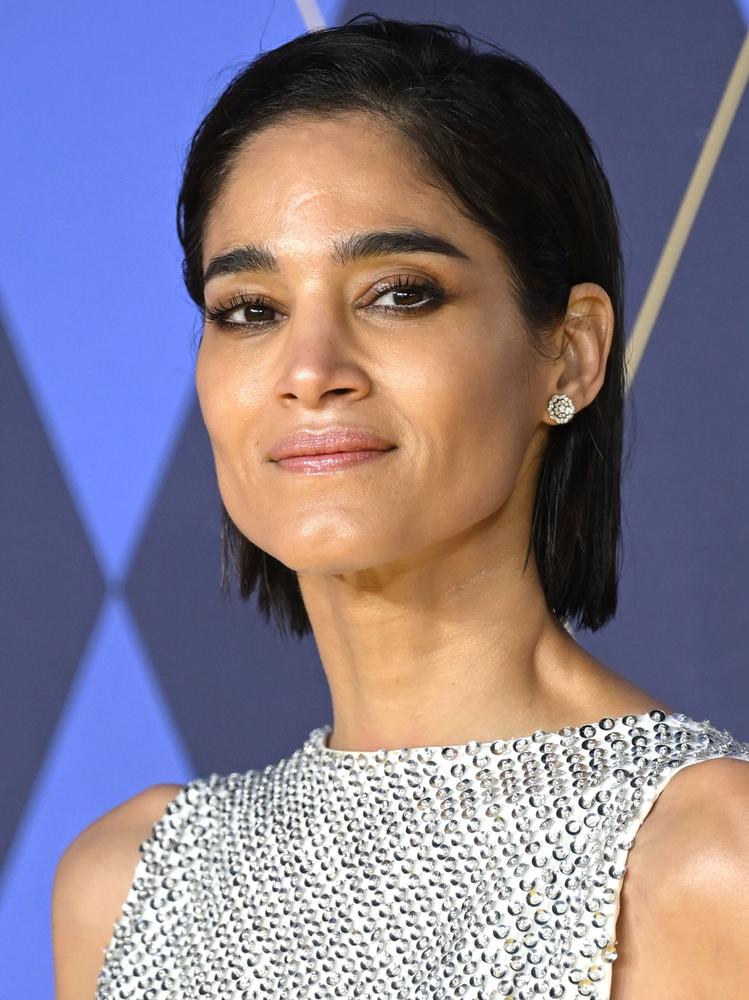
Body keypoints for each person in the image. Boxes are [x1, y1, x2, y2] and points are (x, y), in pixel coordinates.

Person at [52, 14, 749, 999]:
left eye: (398, 293)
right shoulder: (126, 886)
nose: (309, 371)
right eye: (249, 309)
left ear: (570, 353)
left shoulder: (709, 861)